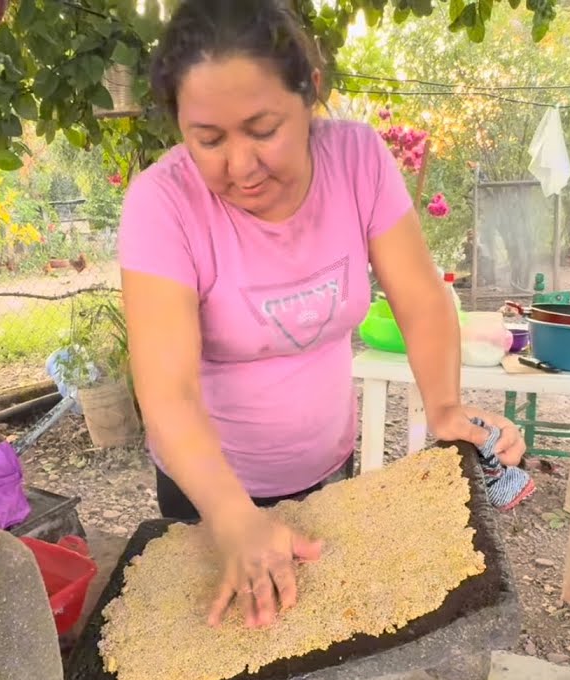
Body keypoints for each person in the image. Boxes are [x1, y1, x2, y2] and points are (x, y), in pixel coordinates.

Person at [117, 0, 529, 630]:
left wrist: (444, 407)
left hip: (328, 465)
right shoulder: (161, 205)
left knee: (324, 630)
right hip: (209, 490)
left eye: (262, 129)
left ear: (311, 92)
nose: (241, 165)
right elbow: (166, 389)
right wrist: (233, 520)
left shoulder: (358, 160)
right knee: (233, 644)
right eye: (209, 140)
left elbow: (420, 299)